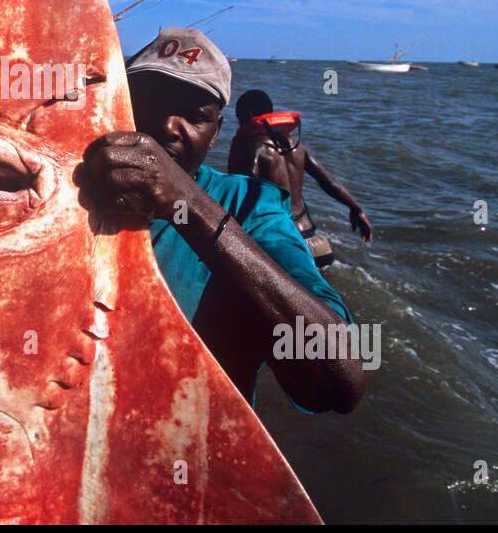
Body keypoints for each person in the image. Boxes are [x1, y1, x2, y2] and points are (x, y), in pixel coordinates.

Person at [85, 29, 364, 413]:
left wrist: (189, 203)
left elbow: (340, 384)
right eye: (147, 101)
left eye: (194, 115)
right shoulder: (71, 192)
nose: (167, 126)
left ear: (215, 133)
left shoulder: (250, 205)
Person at [228, 89, 373, 268]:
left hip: (284, 244)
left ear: (248, 115)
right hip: (316, 241)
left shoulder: (251, 147)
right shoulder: (298, 146)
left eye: (238, 117)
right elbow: (328, 181)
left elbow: (240, 193)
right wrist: (356, 209)